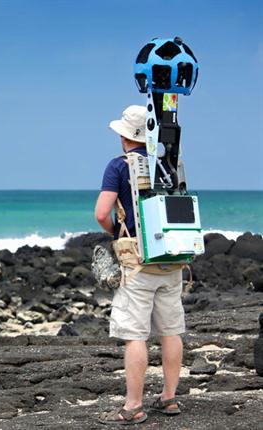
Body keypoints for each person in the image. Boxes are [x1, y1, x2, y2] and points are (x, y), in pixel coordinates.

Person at [96, 105, 185, 425]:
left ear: (124, 135)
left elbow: (102, 213)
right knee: (171, 331)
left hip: (137, 262)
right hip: (172, 260)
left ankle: (133, 405)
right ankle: (170, 397)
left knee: (135, 335)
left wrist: (118, 234)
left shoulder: (117, 166)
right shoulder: (165, 164)